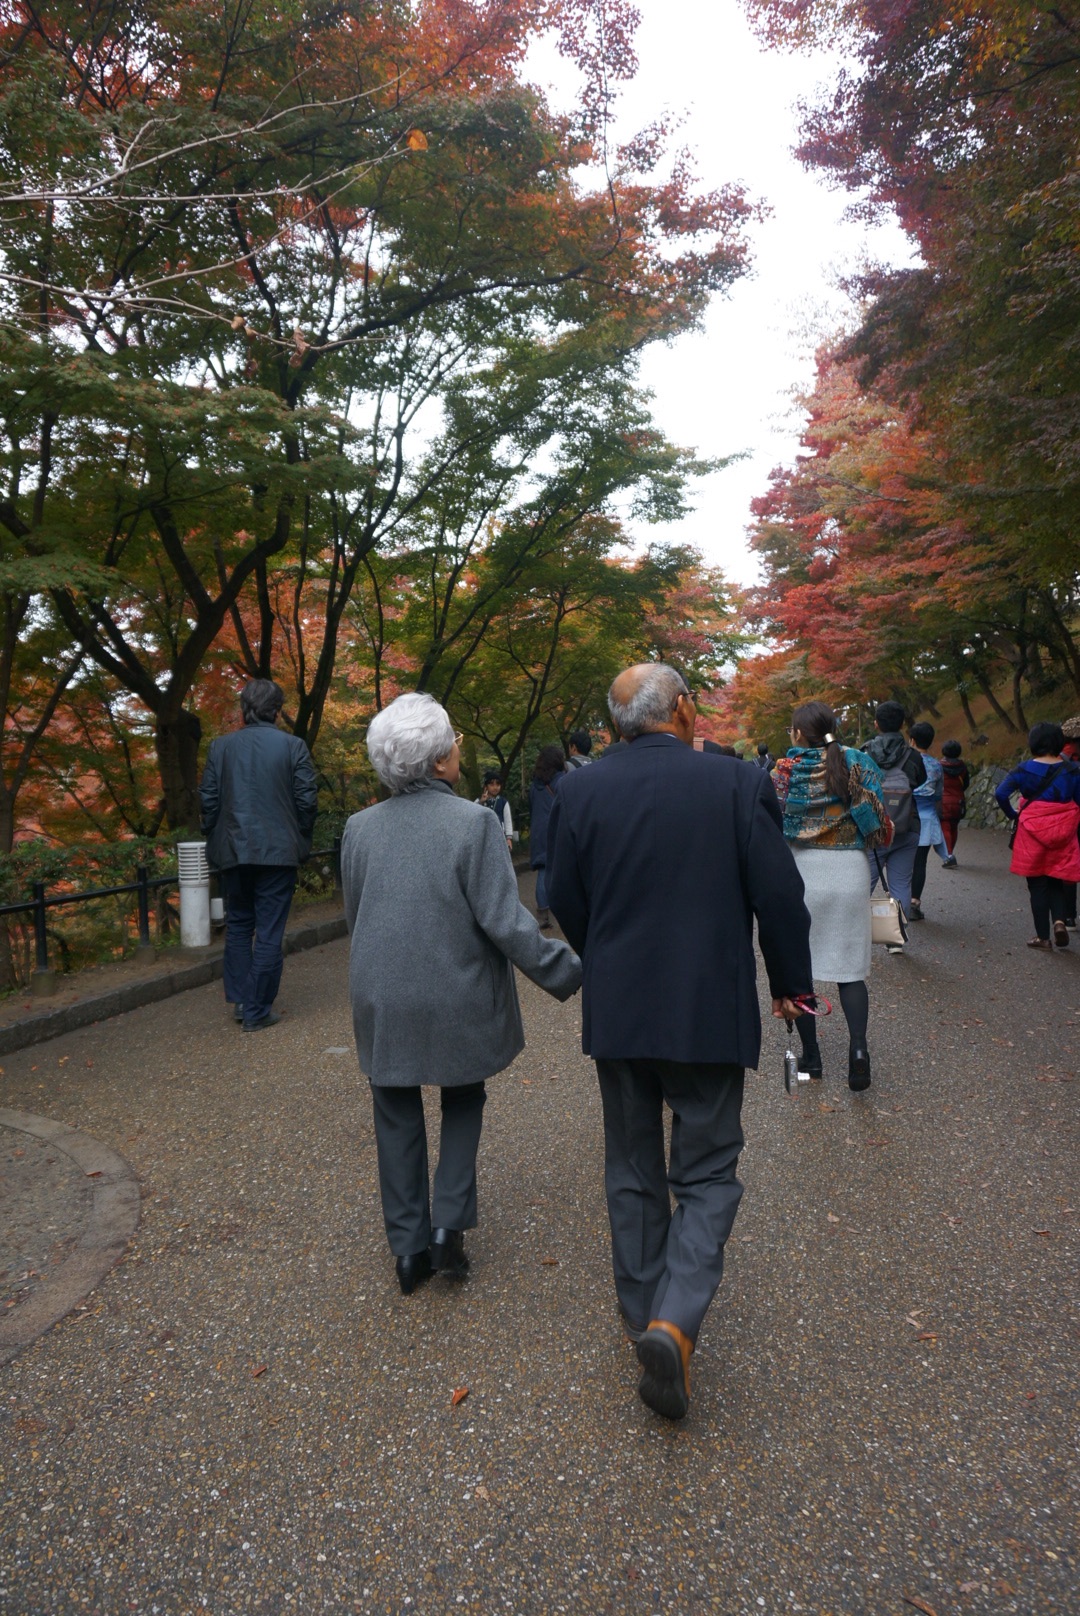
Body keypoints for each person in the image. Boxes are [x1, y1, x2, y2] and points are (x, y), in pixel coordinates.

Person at [546, 663, 813, 1421]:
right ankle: (676, 1319)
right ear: (686, 712)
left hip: (623, 1006)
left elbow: (561, 892)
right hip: (707, 1006)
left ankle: (643, 1320)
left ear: (613, 725)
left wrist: (602, 953)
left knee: (632, 1166)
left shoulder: (578, 791)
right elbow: (779, 895)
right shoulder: (733, 786)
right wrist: (788, 983)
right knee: (706, 1170)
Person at [340, 693, 581, 1294]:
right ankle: (448, 1226)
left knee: (393, 1110)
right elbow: (507, 923)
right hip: (457, 988)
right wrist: (572, 972)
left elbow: (355, 914)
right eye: (453, 743)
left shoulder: (358, 829)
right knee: (463, 1095)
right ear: (441, 761)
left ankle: (406, 1251)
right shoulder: (473, 823)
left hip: (381, 992)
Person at [771, 701, 890, 1090]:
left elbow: (770, 820)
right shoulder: (856, 761)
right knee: (850, 969)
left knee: (799, 968)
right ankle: (859, 1051)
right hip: (849, 872)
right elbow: (877, 824)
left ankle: (812, 1059)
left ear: (796, 732)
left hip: (802, 872)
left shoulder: (785, 769)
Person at [200, 678, 318, 1032]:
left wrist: (216, 835)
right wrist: (298, 836)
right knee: (268, 930)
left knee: (238, 924)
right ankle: (256, 1010)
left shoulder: (220, 748)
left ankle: (241, 1001)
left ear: (244, 709)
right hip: (277, 853)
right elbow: (307, 802)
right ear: (277, 710)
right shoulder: (293, 746)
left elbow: (208, 801)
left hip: (233, 849)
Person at [994, 722, 1080, 950]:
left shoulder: (1023, 769)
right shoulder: (1072, 770)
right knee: (1057, 880)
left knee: (1037, 884)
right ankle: (1060, 921)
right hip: (1064, 831)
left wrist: (1013, 814)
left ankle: (1043, 937)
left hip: (1032, 832)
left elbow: (1000, 793)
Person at [862, 700, 927, 944]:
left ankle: (855, 936)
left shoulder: (865, 752)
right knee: (901, 883)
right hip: (905, 826)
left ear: (876, 724)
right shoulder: (912, 756)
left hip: (872, 828)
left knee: (863, 884)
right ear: (902, 724)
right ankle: (895, 938)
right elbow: (919, 781)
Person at [908, 721, 956, 923]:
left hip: (906, 815)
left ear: (911, 740)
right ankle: (914, 903)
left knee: (902, 862)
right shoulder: (937, 765)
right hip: (927, 818)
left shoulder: (906, 761)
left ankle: (898, 902)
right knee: (920, 863)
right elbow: (938, 794)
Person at [528, 743, 567, 927]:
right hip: (557, 829)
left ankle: (542, 915)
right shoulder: (561, 781)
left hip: (538, 833)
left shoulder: (535, 785)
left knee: (543, 872)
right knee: (562, 871)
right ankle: (563, 909)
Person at [1060, 718, 1080, 928]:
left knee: (1068, 864)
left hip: (1066, 818)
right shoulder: (1067, 761)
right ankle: (1068, 914)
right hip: (1072, 817)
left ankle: (1068, 915)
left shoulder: (1057, 759)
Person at [939, 740, 970, 858]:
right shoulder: (963, 767)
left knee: (945, 827)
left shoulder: (939, 766)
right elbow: (966, 784)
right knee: (954, 827)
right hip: (958, 802)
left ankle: (949, 855)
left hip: (943, 802)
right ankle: (950, 852)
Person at [477, 770, 514, 850]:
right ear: (486, 786)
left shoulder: (503, 802)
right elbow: (473, 814)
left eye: (498, 784)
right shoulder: (479, 801)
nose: (495, 787)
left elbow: (508, 821)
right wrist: (481, 802)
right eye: (492, 784)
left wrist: (509, 838)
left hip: (499, 835)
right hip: (483, 836)